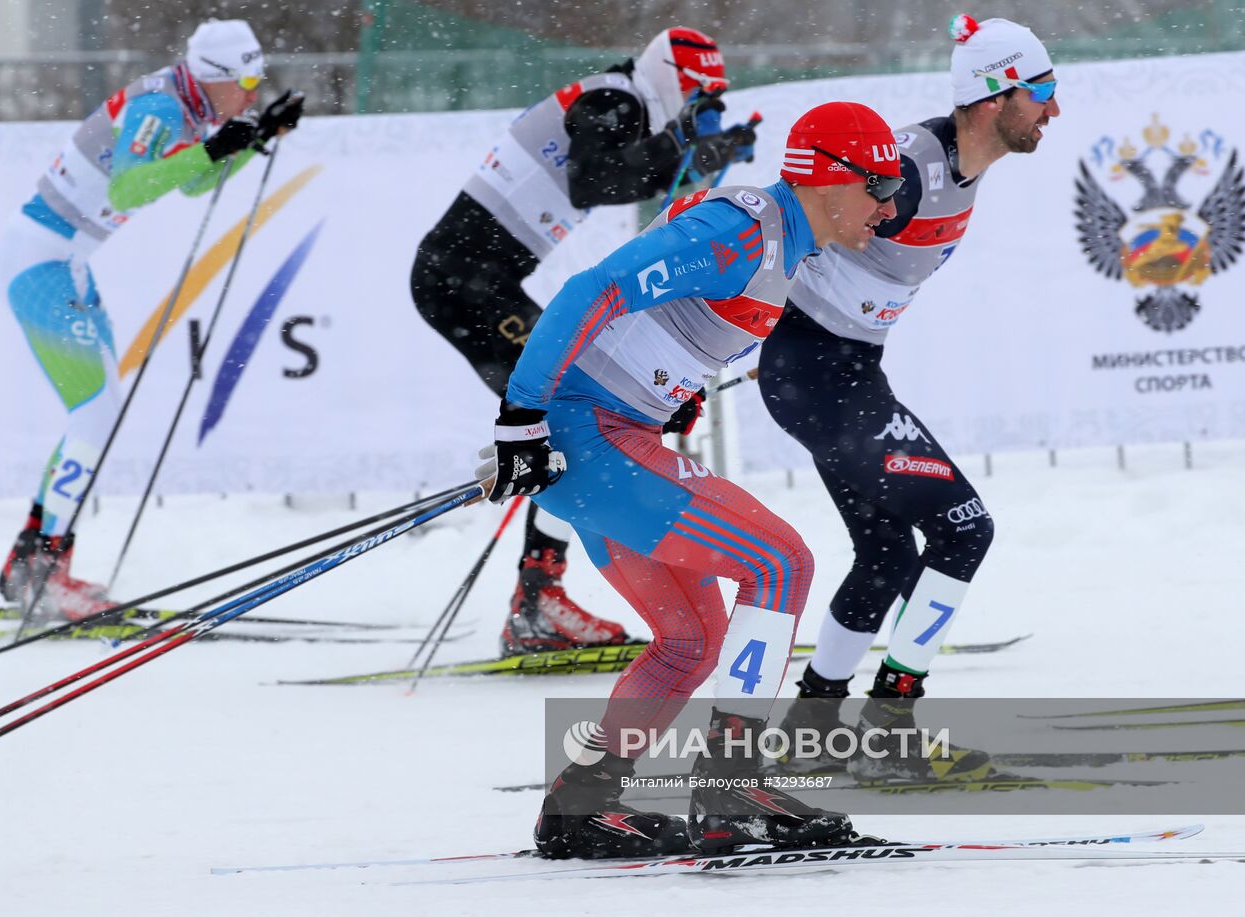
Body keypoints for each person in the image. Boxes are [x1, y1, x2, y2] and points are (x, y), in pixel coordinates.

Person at [476, 102, 906, 858]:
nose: (889, 206)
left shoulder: (784, 243)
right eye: (878, 186)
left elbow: (656, 316)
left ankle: (582, 803)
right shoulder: (744, 230)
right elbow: (592, 290)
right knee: (781, 564)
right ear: (828, 179)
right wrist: (522, 417)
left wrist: (671, 382)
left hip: (609, 436)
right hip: (590, 436)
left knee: (691, 638)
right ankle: (729, 782)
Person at [759, 15, 1060, 781]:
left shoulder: (964, 165)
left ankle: (812, 726)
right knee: (965, 529)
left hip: (837, 372)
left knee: (887, 552)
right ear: (994, 98)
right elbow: (786, 215)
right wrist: (702, 340)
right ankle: (890, 722)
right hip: (819, 373)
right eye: (1044, 90)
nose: (1055, 109)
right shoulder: (913, 168)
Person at [412, 27, 759, 655]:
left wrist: (705, 152)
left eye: (711, 98)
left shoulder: (625, 102)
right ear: (667, 75)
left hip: (473, 279)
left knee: (575, 415)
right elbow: (593, 180)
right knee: (573, 413)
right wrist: (685, 140)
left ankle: (541, 593)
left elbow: (633, 174)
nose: (697, 105)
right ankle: (539, 601)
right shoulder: (614, 98)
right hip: (462, 282)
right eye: (695, 92)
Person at [0, 19, 304, 619]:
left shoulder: (186, 105)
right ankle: (41, 567)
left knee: (94, 415)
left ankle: (32, 559)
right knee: (95, 413)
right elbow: (133, 189)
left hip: (66, 261)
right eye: (244, 81)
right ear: (212, 78)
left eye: (257, 80)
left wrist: (249, 141)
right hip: (41, 261)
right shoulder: (162, 106)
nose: (251, 93)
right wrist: (215, 147)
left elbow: (191, 184)